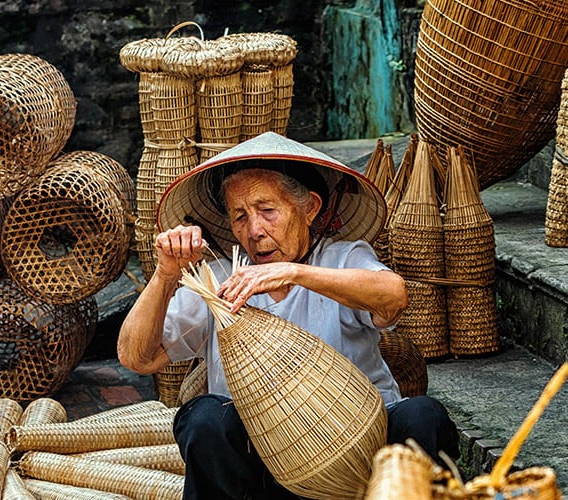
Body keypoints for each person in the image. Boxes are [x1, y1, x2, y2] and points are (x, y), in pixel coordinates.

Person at [117, 132, 459, 500]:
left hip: (364, 454)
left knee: (424, 416)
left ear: (309, 207)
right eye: (239, 216)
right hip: (271, 469)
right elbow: (138, 356)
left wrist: (295, 273)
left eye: (267, 211)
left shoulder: (341, 259)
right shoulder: (219, 279)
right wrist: (165, 274)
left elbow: (393, 296)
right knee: (203, 419)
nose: (254, 230)